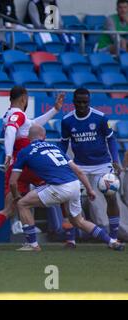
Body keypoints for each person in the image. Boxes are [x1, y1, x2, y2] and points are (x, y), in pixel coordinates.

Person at [10, 124, 125, 251]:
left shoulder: (25, 151)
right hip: (75, 185)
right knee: (79, 221)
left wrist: (16, 197)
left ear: (28, 137)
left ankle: (33, 245)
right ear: (45, 137)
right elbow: (78, 171)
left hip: (58, 187)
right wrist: (90, 189)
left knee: (22, 204)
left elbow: (13, 182)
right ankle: (111, 241)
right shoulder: (55, 148)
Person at [0, 86, 65, 249]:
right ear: (24, 99)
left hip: (14, 168)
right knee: (60, 185)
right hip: (29, 163)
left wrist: (54, 110)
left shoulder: (10, 114)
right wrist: (7, 153)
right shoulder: (17, 115)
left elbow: (33, 125)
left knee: (9, 209)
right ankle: (68, 228)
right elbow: (11, 131)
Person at [59, 88, 122, 245]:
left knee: (111, 197)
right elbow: (63, 143)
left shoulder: (100, 118)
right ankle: (71, 238)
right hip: (80, 166)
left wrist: (115, 159)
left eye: (85, 102)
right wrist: (59, 162)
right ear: (73, 102)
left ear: (89, 102)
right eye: (79, 102)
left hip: (102, 164)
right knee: (72, 198)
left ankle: (114, 236)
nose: (82, 105)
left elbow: (111, 139)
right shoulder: (67, 121)